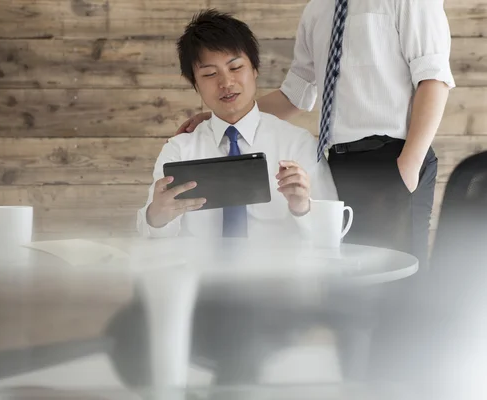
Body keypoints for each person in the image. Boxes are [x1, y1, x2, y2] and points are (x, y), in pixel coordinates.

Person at [109, 9, 339, 386]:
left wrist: (303, 208)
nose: (226, 82)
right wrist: (158, 216)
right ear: (195, 86)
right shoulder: (180, 149)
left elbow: (331, 241)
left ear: (255, 70)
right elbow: (150, 238)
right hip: (199, 294)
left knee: (239, 338)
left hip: (273, 296)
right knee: (126, 331)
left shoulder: (297, 144)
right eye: (209, 74)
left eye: (235, 67)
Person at [177, 0, 455, 270]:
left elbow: (434, 79)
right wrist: (227, 117)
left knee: (399, 279)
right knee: (349, 280)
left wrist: (407, 167)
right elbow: (294, 96)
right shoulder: (317, 9)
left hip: (393, 160)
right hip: (336, 167)